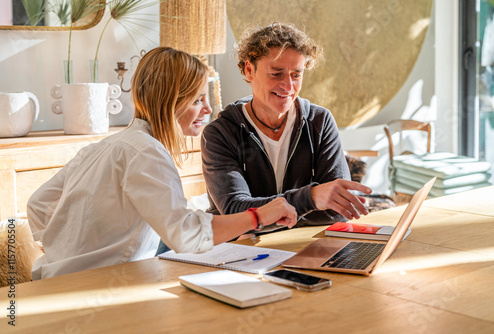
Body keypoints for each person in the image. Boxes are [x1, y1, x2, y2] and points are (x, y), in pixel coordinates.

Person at [27, 47, 297, 280]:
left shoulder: (106, 146)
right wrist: (259, 215)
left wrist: (63, 247)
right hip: (96, 290)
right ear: (170, 103)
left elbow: (37, 204)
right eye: (197, 100)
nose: (207, 109)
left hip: (52, 279)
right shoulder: (146, 152)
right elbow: (186, 235)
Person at [201, 23, 372, 234]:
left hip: (302, 247)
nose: (289, 87)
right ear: (249, 70)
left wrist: (268, 217)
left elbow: (339, 210)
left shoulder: (319, 121)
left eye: (296, 75)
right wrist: (311, 198)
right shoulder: (220, 133)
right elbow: (235, 213)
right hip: (242, 255)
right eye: (276, 74)